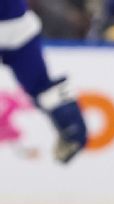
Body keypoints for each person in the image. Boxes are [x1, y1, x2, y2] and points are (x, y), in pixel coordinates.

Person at [0, 0, 86, 163]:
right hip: (19, 28)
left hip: (17, 27)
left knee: (43, 88)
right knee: (43, 88)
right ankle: (73, 129)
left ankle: (73, 129)